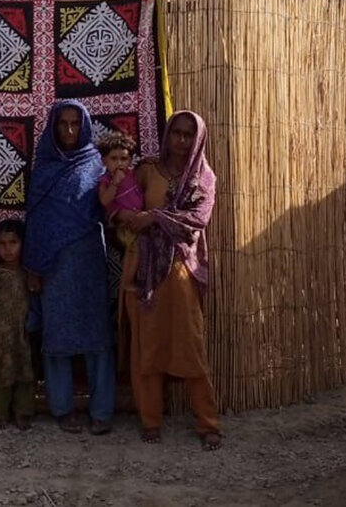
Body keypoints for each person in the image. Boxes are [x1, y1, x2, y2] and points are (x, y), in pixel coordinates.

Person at [119, 110, 222, 449]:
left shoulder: (202, 178)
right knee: (147, 347)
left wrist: (154, 217)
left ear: (198, 139)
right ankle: (151, 419)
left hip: (181, 271)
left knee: (189, 345)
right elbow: (125, 206)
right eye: (175, 133)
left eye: (188, 135)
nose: (180, 141)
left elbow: (196, 220)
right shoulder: (148, 170)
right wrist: (136, 220)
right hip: (144, 271)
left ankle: (208, 423)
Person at [23, 99, 115, 435]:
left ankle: (102, 410)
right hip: (54, 265)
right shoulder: (44, 169)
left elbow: (108, 208)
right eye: (62, 124)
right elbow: (35, 222)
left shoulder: (96, 165)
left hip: (89, 260)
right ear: (52, 127)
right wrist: (33, 266)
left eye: (76, 124)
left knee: (97, 333)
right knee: (57, 333)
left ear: (86, 126)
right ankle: (62, 408)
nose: (70, 131)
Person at [0, 219, 35, 430]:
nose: (8, 249)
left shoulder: (28, 273)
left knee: (25, 371)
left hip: (23, 332)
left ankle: (23, 412)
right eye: (2, 244)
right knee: (0, 373)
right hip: (0, 335)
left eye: (13, 242)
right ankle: (0, 414)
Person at [97, 131, 144, 292]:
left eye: (124, 159)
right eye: (114, 159)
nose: (119, 163)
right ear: (104, 161)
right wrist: (115, 184)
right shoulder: (106, 181)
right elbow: (104, 201)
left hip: (139, 221)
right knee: (135, 247)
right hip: (122, 226)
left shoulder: (134, 175)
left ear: (130, 160)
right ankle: (128, 282)